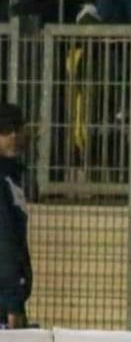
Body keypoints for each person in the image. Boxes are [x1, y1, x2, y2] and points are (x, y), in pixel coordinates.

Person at [0, 103, 31, 330]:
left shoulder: (13, 176)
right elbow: (4, 240)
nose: (12, 135)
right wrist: (13, 301)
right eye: (4, 130)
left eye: (16, 128)